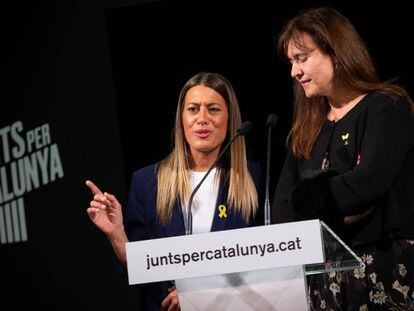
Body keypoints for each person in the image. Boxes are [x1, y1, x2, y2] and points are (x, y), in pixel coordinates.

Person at [272, 6, 414, 311]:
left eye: (302, 58)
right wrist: (332, 204)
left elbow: (369, 182)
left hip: (382, 269)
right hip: (323, 276)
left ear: (335, 53)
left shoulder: (386, 107)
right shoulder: (305, 130)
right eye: (291, 62)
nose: (294, 71)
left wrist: (313, 200)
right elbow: (283, 208)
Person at [86, 72, 262, 311]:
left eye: (213, 109)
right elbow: (140, 275)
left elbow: (263, 262)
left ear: (230, 119)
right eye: (193, 109)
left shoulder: (253, 178)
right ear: (181, 119)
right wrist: (117, 234)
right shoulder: (148, 182)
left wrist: (199, 293)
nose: (202, 119)